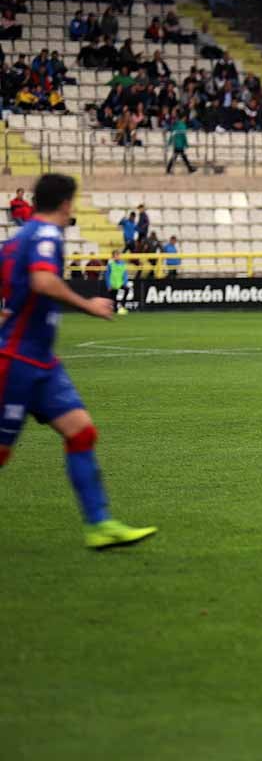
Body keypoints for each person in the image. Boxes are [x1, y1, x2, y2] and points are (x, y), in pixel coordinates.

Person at [0, 174, 157, 549]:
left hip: (41, 363)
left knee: (81, 431)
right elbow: (42, 282)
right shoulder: (47, 236)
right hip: (17, 361)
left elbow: (15, 291)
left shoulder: (15, 241)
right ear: (67, 203)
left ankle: (99, 524)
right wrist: (89, 305)